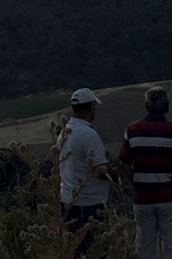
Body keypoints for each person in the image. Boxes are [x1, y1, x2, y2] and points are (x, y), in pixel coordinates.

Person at [119, 86, 172, 259]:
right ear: (167, 106)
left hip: (143, 198)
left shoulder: (132, 129)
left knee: (144, 246)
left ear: (146, 105)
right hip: (169, 197)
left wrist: (135, 183)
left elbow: (124, 162)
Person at [57, 87, 111, 256]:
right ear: (91, 107)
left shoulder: (65, 132)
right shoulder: (88, 134)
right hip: (89, 204)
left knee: (74, 251)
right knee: (96, 250)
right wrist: (118, 174)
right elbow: (100, 169)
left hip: (67, 200)